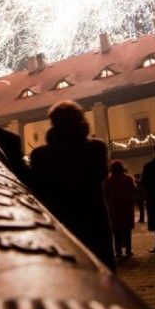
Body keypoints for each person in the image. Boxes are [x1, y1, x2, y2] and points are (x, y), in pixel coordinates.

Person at [29, 100, 116, 271]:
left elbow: (36, 189)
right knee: (101, 271)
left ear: (53, 123)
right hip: (94, 217)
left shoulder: (40, 156)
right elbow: (102, 176)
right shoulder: (96, 148)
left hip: (60, 222)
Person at [103, 160, 136, 259]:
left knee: (116, 230)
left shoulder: (108, 180)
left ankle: (118, 251)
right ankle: (128, 249)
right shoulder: (128, 178)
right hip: (126, 207)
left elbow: (105, 193)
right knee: (127, 230)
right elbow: (134, 189)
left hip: (114, 208)